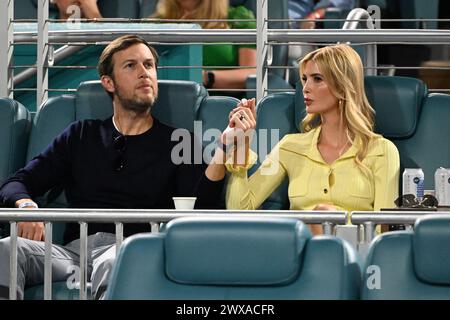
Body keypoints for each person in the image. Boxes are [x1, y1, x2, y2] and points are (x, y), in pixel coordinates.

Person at [0, 35, 227, 300]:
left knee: (113, 262)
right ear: (109, 82)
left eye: (149, 65)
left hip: (132, 251)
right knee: (7, 249)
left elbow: (200, 208)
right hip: (75, 254)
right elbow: (15, 184)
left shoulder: (181, 140)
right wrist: (26, 205)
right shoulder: (81, 134)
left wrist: (224, 150)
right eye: (131, 66)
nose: (144, 73)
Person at [223, 44, 400, 235]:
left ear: (342, 85)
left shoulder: (382, 150)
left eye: (317, 79)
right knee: (320, 216)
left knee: (324, 214)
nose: (306, 88)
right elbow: (239, 210)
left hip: (356, 254)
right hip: (301, 252)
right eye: (305, 79)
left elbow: (383, 230)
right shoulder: (290, 146)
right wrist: (242, 142)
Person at [152, 0, 257, 96]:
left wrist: (203, 76)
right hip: (166, 99)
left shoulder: (238, 18)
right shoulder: (155, 22)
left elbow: (251, 73)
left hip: (219, 104)